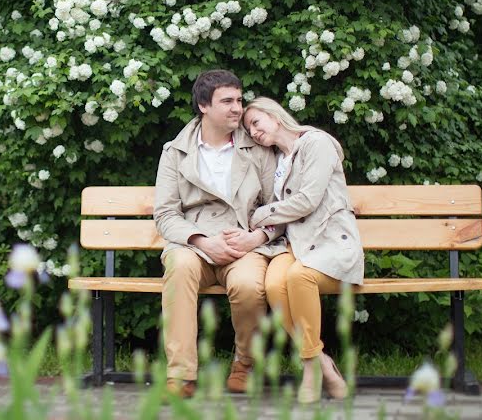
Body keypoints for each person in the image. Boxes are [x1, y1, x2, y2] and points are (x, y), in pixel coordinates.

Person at [153, 70, 288, 398]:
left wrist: (256, 239)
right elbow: (166, 213)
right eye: (227, 101)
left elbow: (279, 206)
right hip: (194, 243)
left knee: (248, 286)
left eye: (239, 100)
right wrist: (201, 241)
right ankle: (181, 375)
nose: (237, 108)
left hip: (244, 241)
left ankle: (245, 363)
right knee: (180, 268)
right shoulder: (175, 151)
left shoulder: (257, 150)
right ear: (203, 105)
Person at [243, 96, 364, 403]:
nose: (254, 132)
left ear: (275, 116)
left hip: (329, 242)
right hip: (295, 245)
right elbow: (285, 217)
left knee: (298, 278)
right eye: (249, 129)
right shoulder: (279, 163)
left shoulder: (315, 143)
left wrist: (260, 215)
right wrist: (261, 232)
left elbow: (308, 201)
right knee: (272, 284)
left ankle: (309, 371)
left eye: (256, 122)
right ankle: (321, 362)